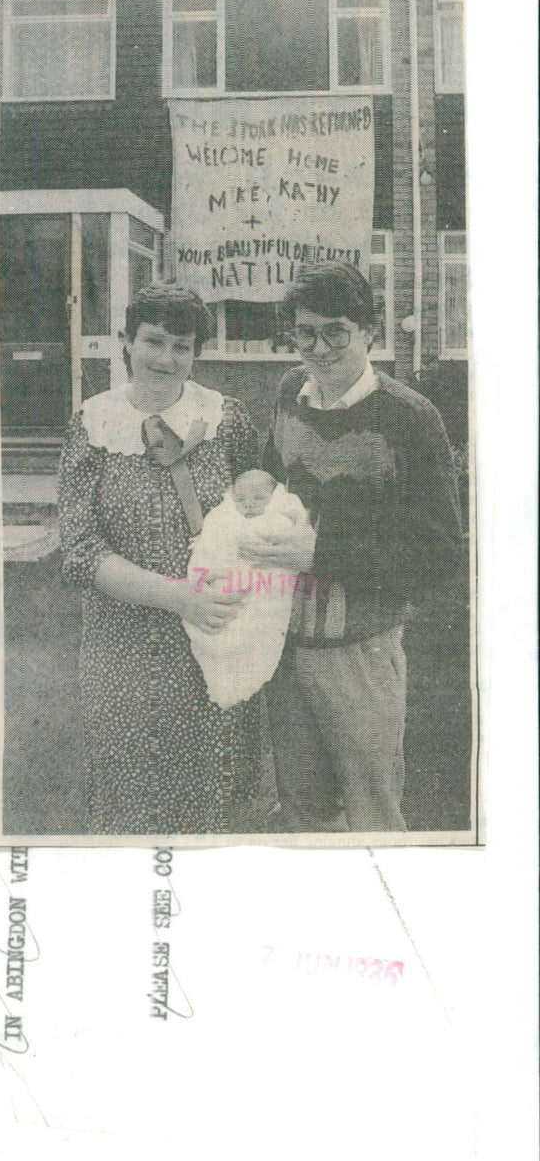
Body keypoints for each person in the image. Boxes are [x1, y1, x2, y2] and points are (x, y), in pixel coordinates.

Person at [239, 263, 463, 833]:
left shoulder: (411, 416)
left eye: (336, 330)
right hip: (284, 644)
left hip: (361, 650)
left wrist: (321, 554)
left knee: (373, 816)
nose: (319, 347)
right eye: (305, 332)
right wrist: (258, 483)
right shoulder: (290, 392)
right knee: (303, 812)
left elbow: (439, 554)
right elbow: (274, 470)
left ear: (369, 330)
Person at [58, 284, 260, 835]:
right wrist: (177, 596)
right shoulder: (92, 423)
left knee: (207, 794)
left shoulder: (227, 420)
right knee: (129, 795)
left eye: (182, 346)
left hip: (212, 639)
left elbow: (258, 517)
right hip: (120, 643)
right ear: (126, 342)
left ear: (196, 353)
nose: (166, 359)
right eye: (153, 341)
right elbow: (80, 551)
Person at [184, 470, 308, 710]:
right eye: (241, 500)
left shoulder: (277, 518)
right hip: (227, 583)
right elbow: (213, 541)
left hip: (262, 590)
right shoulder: (225, 516)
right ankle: (222, 679)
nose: (249, 504)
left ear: (274, 498)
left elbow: (290, 533)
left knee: (253, 632)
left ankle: (240, 679)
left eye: (258, 499)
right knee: (220, 631)